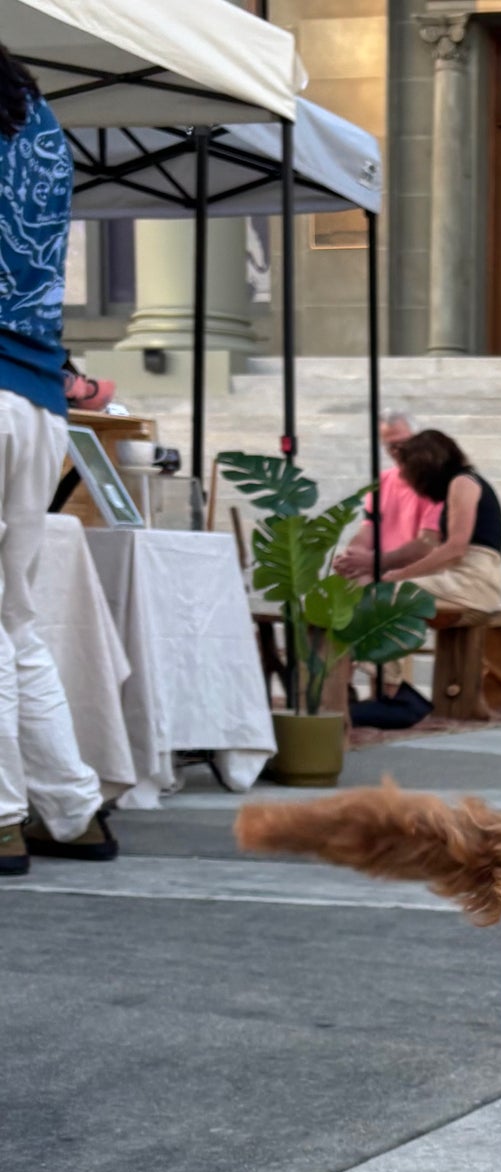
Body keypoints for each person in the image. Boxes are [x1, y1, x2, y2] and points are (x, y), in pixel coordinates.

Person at [0, 42, 115, 877]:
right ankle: (72, 811)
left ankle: (4, 813)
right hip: (36, 396)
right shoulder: (40, 130)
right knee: (14, 619)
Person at [384, 430, 501, 622]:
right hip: (473, 580)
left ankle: (391, 652)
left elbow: (455, 549)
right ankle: (399, 651)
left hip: (470, 582)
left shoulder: (462, 482)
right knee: (388, 594)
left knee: (381, 597)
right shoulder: (464, 482)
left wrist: (401, 574)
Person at [333, 409, 442, 583]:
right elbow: (367, 530)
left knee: (365, 586)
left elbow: (426, 546)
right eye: (391, 446)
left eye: (405, 443)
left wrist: (372, 562)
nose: (399, 451)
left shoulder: (437, 482)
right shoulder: (382, 482)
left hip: (420, 573)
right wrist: (352, 556)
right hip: (382, 568)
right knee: (354, 579)